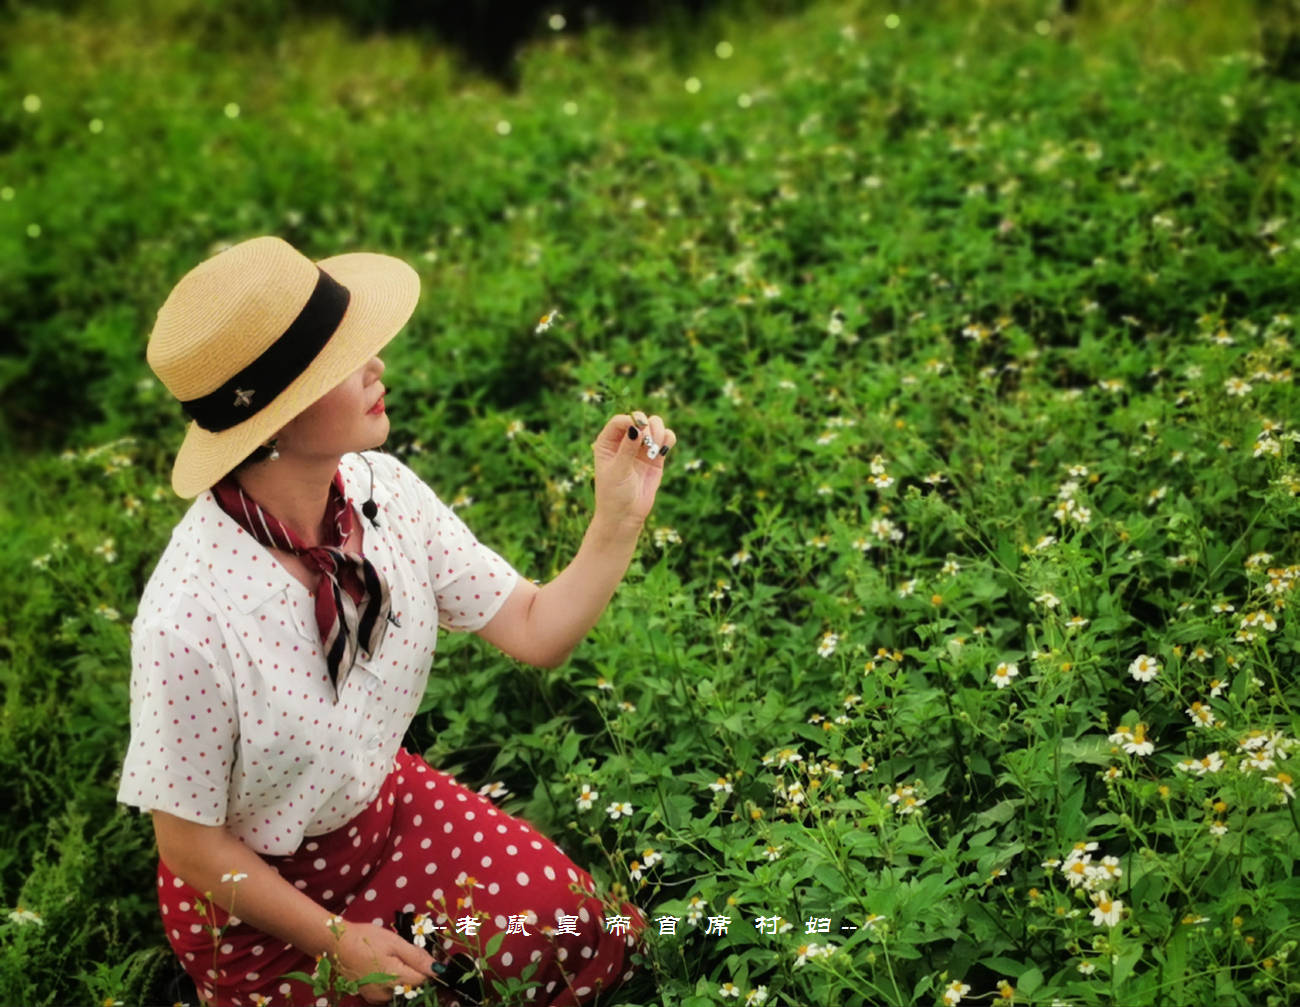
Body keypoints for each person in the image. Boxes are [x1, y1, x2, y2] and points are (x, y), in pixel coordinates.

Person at [115, 235, 675, 1006]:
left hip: (384, 819)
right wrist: (337, 941)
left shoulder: (384, 493)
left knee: (579, 926)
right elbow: (189, 844)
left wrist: (617, 515)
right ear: (272, 418)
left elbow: (537, 628)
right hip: (255, 903)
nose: (377, 363)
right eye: (341, 361)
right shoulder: (189, 619)